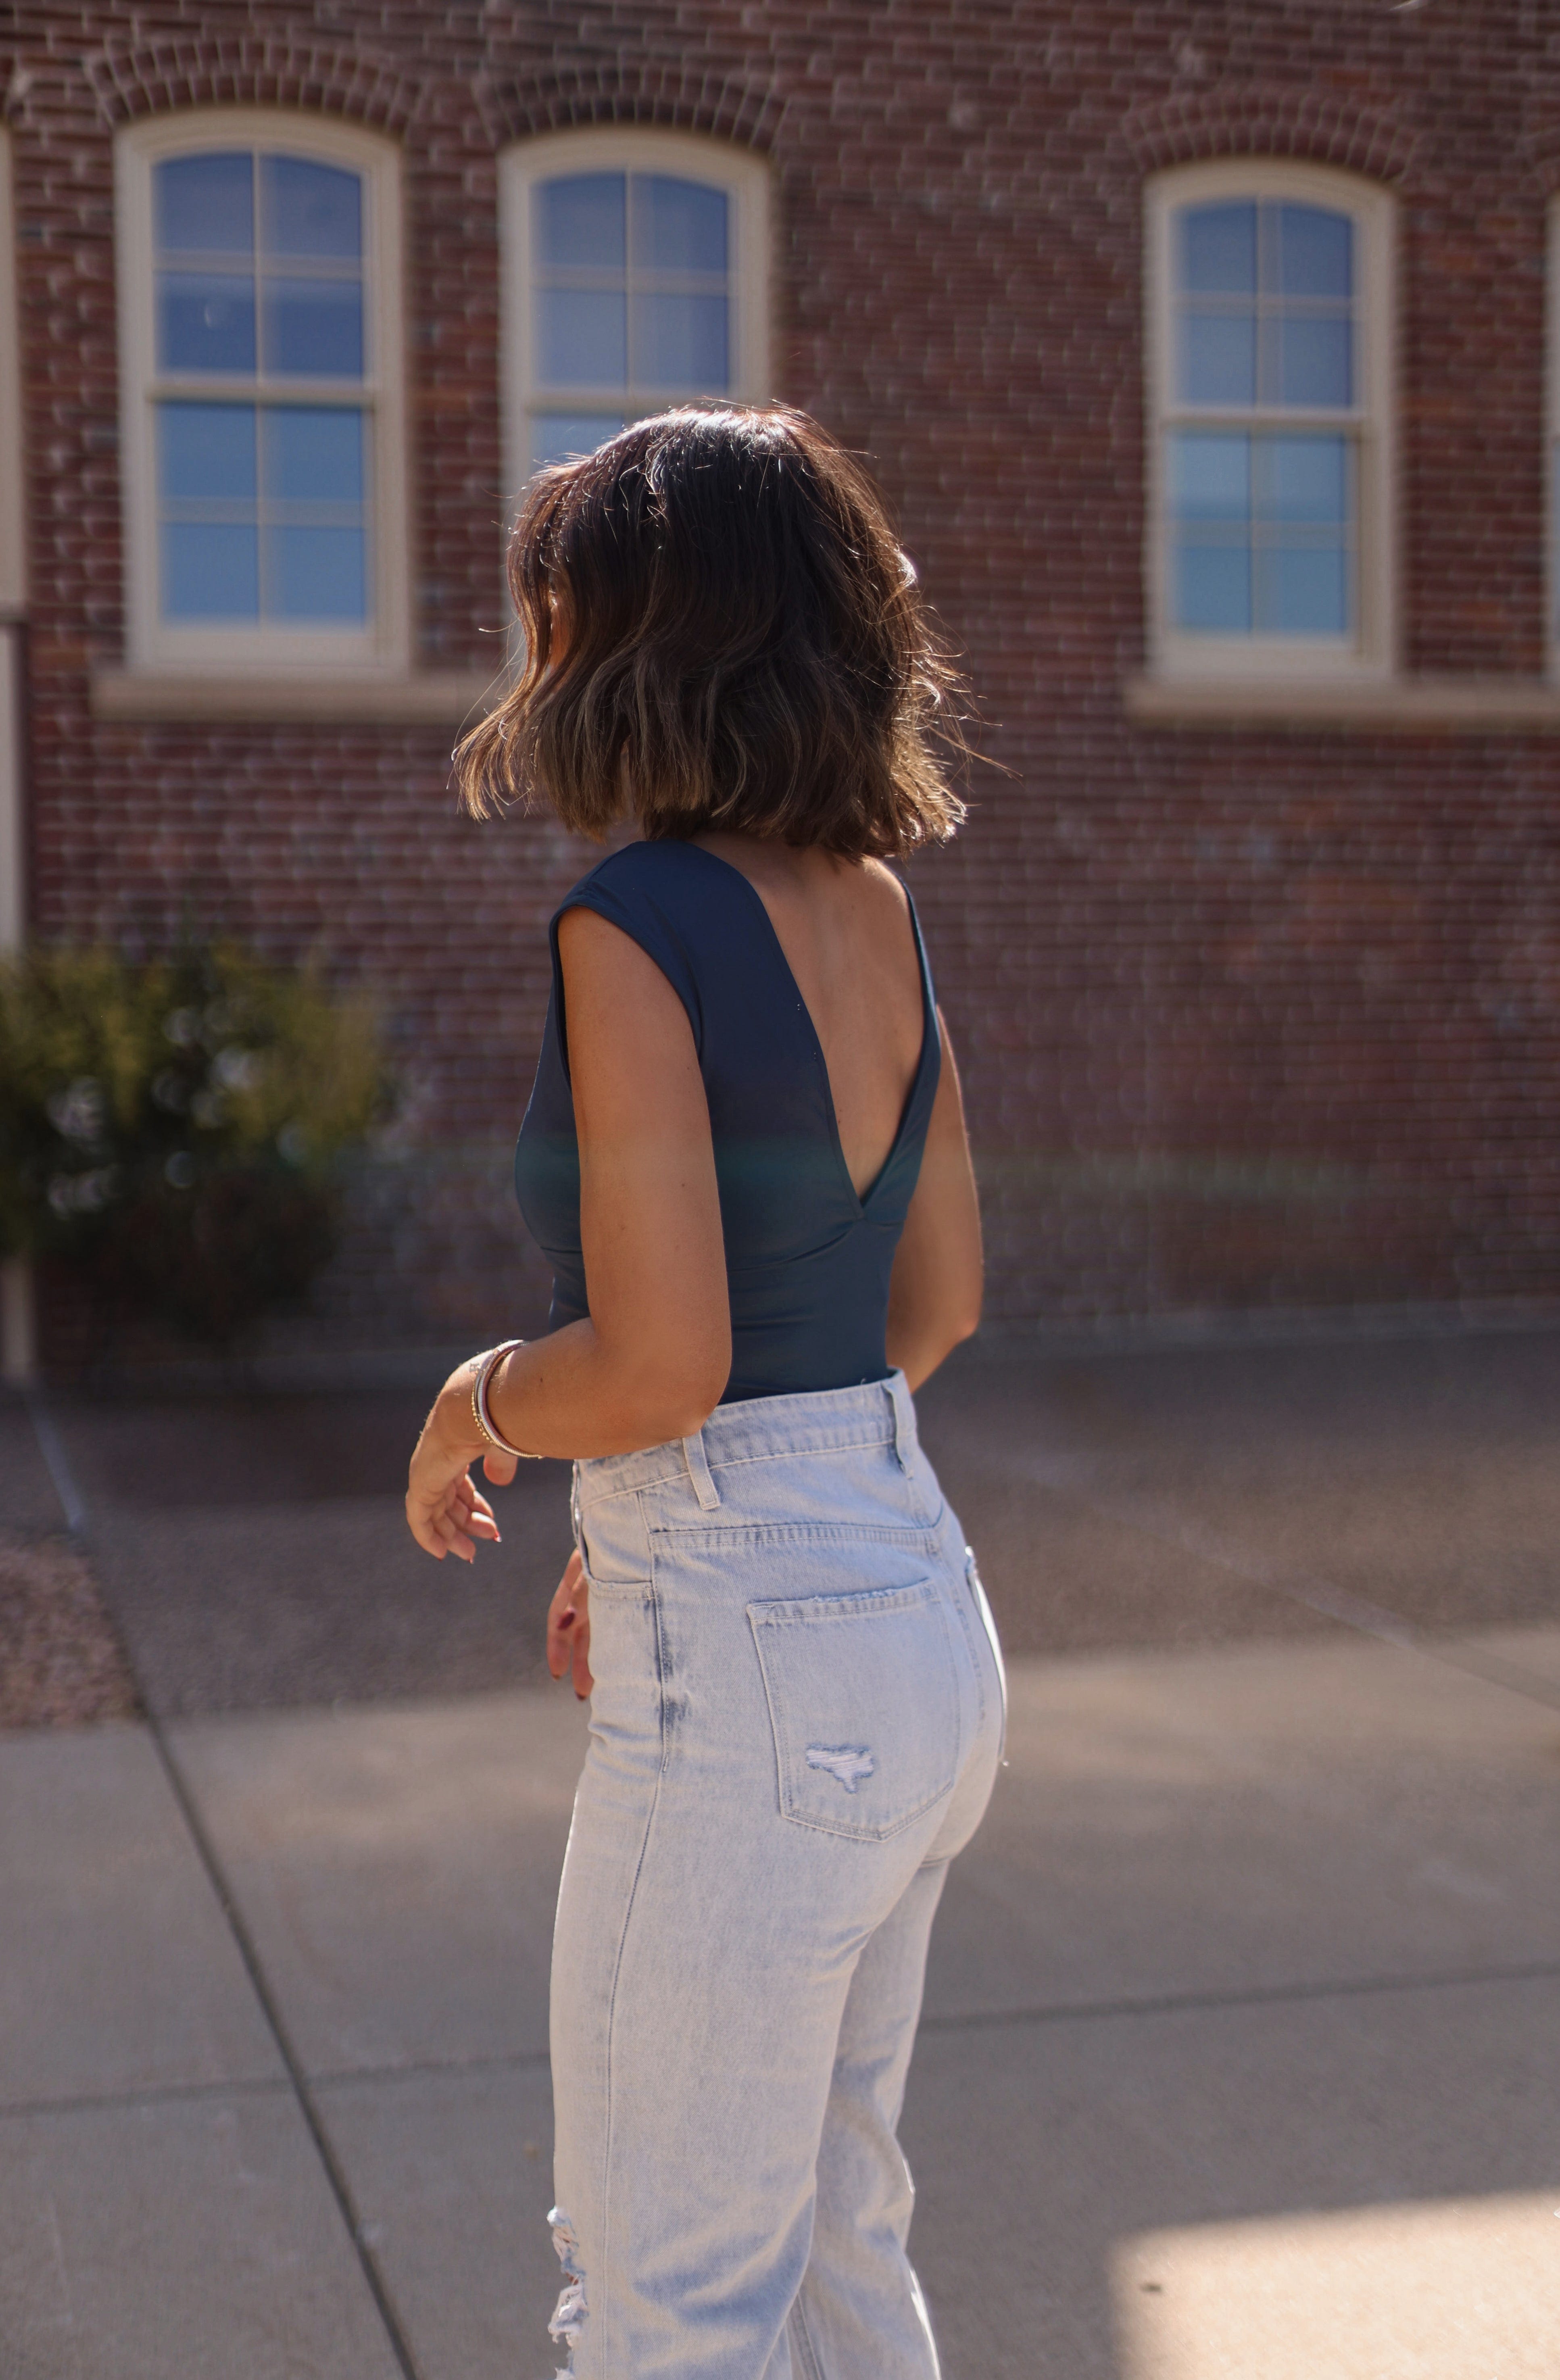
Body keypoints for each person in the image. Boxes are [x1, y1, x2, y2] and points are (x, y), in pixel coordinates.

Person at [406, 405, 1006, 2380]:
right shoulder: (877, 909)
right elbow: (936, 1299)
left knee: (671, 2305)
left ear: (653, 640)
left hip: (757, 1669)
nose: (540, 666)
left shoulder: (636, 918)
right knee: (839, 2252)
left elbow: (661, 1365)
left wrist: (485, 1402)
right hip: (915, 1613)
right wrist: (662, 1524)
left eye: (556, 620)